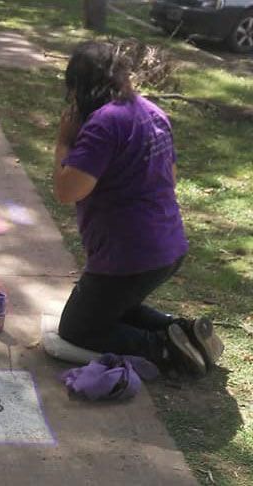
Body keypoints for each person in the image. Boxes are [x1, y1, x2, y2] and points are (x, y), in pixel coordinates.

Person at [53, 41, 223, 377]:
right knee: (115, 306)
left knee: (76, 328)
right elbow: (169, 176)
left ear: (81, 88)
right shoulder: (152, 112)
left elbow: (67, 191)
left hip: (128, 256)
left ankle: (164, 348)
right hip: (168, 249)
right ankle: (183, 330)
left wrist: (63, 143)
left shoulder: (103, 123)